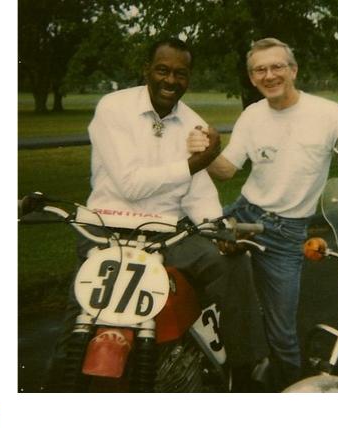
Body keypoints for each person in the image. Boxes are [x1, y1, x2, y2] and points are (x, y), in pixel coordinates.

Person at [48, 38, 268, 391]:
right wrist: (197, 161)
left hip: (166, 234)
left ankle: (247, 370)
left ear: (189, 78)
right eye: (162, 70)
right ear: (147, 70)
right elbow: (131, 185)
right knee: (80, 322)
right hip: (105, 231)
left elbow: (197, 195)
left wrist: (218, 228)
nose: (170, 80)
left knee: (232, 263)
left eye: (180, 74)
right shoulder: (113, 108)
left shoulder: (193, 123)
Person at [188, 37, 338, 390]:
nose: (269, 75)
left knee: (282, 332)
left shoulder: (328, 115)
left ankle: (290, 390)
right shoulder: (253, 115)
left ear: (293, 70)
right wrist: (202, 153)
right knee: (190, 284)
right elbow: (226, 170)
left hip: (287, 234)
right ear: (252, 78)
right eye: (260, 70)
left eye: (277, 67)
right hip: (242, 215)